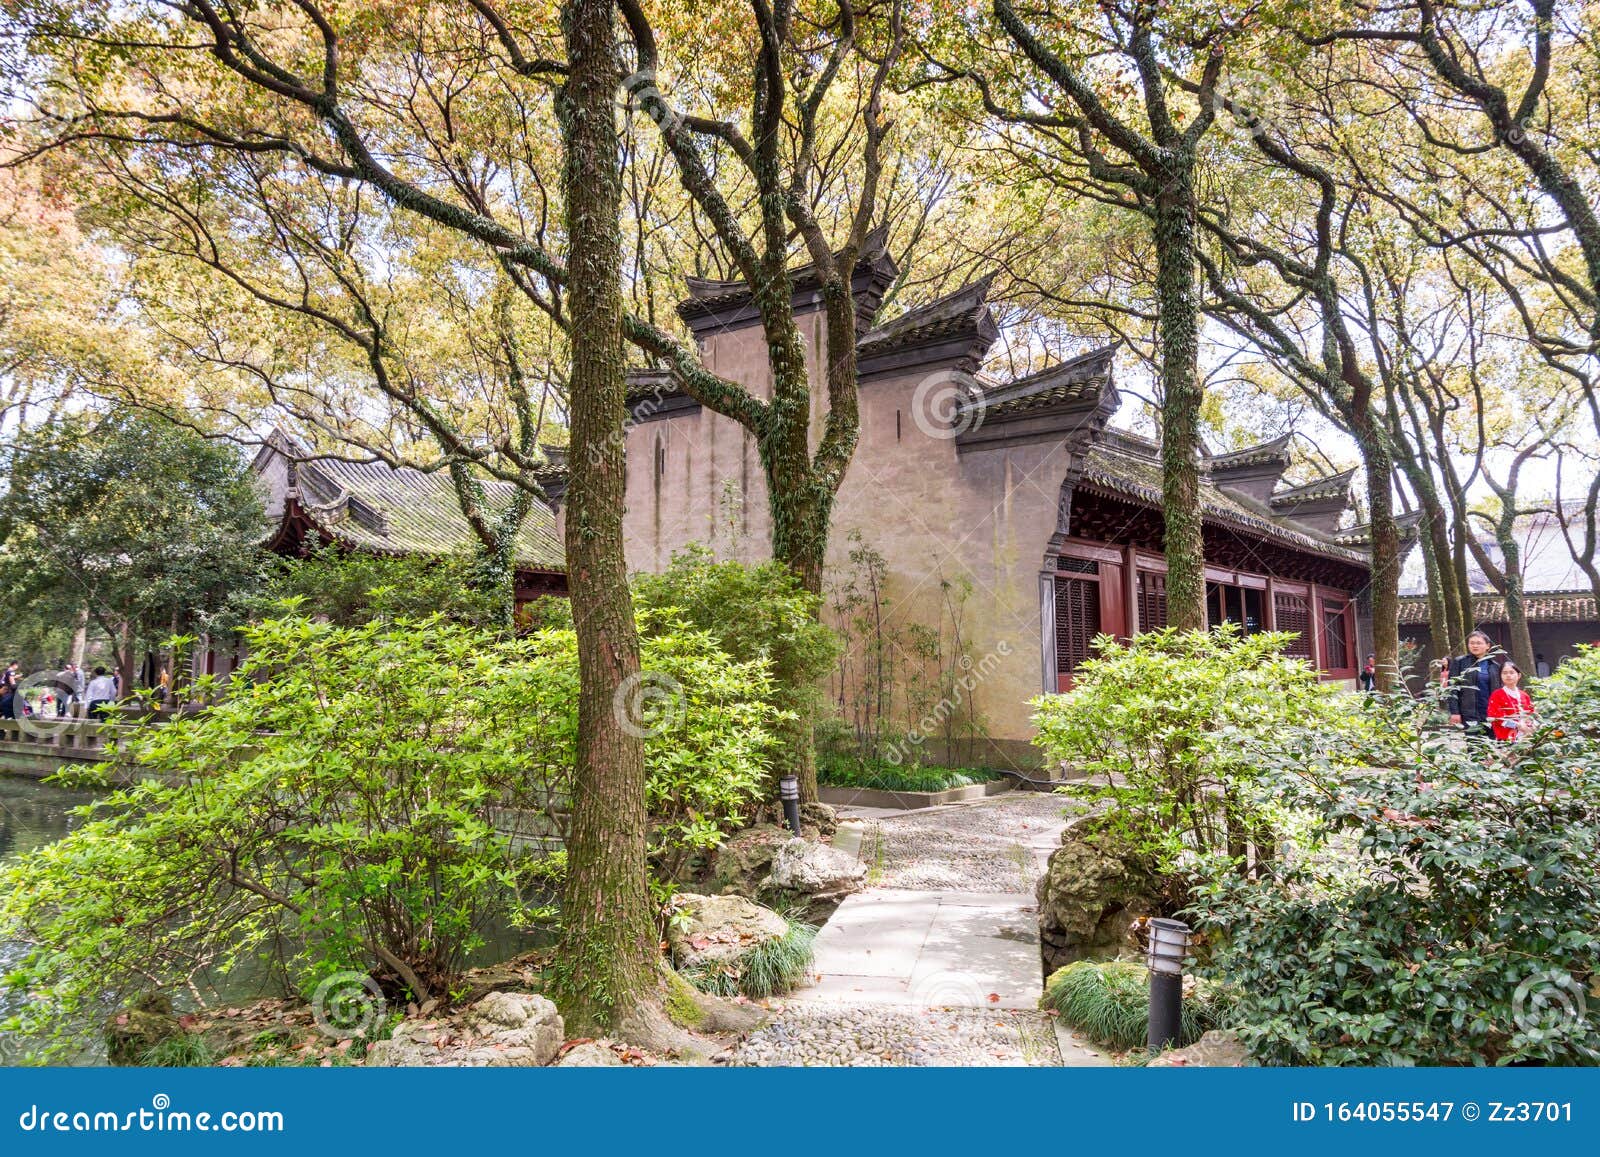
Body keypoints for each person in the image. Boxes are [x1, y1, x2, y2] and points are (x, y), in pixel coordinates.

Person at [1447, 629, 1502, 735]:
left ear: (1488, 646)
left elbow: (1499, 690)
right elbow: (1452, 688)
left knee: (1492, 744)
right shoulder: (1460, 662)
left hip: (1491, 713)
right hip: (1469, 712)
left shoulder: (1494, 666)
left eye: (1478, 643)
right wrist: (1455, 712)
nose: (1475, 646)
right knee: (1474, 745)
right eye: (1471, 643)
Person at [1487, 661, 1536, 742]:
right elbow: (1496, 718)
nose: (1508, 675)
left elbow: (1531, 714)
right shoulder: (1496, 695)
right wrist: (1517, 725)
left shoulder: (1524, 695)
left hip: (1525, 736)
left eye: (1511, 672)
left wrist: (1530, 726)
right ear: (1500, 676)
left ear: (1519, 675)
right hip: (1505, 737)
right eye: (1504, 673)